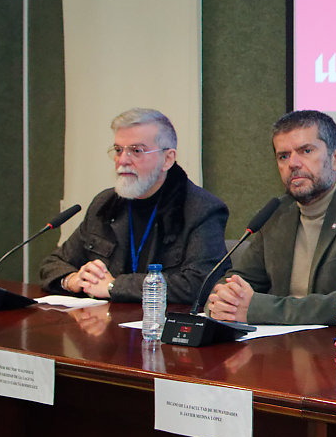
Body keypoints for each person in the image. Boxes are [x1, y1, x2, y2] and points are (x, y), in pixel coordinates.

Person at [205, 110, 336, 325]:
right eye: (283, 156)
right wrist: (222, 300)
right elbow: (238, 281)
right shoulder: (277, 214)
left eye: (306, 151)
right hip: (282, 347)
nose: (293, 164)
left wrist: (258, 309)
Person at [39, 108, 229, 305]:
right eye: (118, 150)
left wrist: (114, 287)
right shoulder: (105, 204)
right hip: (105, 326)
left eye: (136, 151)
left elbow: (200, 284)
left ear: (168, 159)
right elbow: (52, 264)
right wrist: (74, 279)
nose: (122, 161)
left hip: (161, 328)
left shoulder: (202, 209)